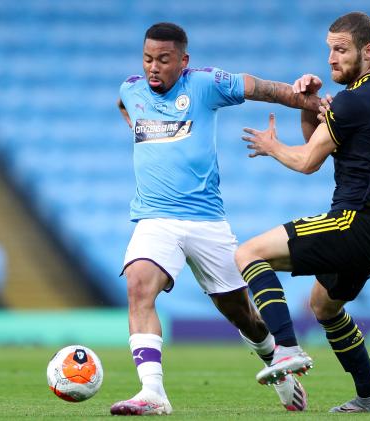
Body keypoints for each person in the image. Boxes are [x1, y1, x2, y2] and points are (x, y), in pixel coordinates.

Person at [110, 22, 321, 416]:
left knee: (243, 315)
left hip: (207, 222)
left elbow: (262, 88)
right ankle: (152, 392)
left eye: (164, 60)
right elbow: (125, 104)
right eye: (148, 59)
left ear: (183, 61)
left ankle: (276, 365)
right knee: (139, 285)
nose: (154, 67)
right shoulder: (131, 89)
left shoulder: (206, 84)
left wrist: (307, 101)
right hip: (155, 219)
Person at [235, 12, 370, 413]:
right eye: (329, 49)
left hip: (354, 220)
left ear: (368, 51)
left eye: (340, 50)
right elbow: (322, 139)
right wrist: (309, 108)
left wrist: (272, 146)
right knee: (324, 306)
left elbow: (309, 160)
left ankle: (287, 349)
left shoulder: (354, 100)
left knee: (248, 254)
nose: (331, 59)